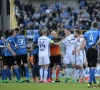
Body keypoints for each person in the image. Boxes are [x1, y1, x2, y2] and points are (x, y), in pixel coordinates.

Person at [77, 21, 100, 87]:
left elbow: (83, 41)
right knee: (93, 67)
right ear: (97, 26)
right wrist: (96, 45)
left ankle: (95, 82)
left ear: (92, 25)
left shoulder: (86, 32)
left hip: (87, 51)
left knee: (90, 67)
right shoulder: (98, 31)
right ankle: (90, 83)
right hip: (94, 50)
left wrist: (78, 49)